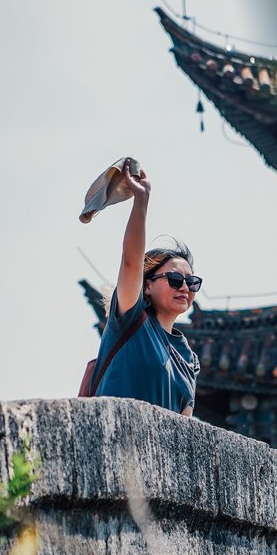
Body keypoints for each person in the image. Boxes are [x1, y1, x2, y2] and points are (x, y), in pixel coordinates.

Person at [89, 164, 200, 412]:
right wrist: (141, 200)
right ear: (147, 286)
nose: (185, 287)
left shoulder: (190, 359)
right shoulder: (131, 319)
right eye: (174, 279)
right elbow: (131, 262)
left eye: (192, 282)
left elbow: (185, 424)